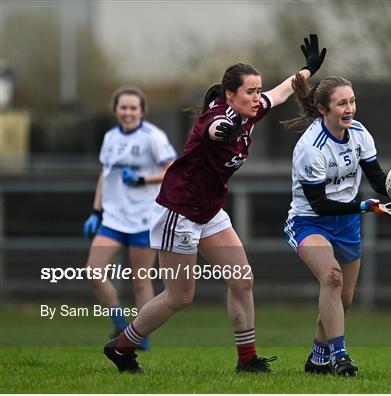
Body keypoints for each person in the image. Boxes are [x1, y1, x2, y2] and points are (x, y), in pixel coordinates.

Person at [103, 34, 327, 374]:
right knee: (179, 296)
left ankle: (247, 359)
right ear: (229, 95)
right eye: (250, 91)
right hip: (180, 213)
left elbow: (280, 93)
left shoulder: (250, 111)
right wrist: (224, 130)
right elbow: (214, 128)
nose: (257, 97)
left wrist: (307, 70)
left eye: (257, 90)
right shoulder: (219, 117)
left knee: (242, 279)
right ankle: (122, 346)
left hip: (208, 213)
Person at [281, 73, 391, 376]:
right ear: (323, 109)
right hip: (311, 221)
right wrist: (363, 207)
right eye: (341, 104)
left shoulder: (360, 133)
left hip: (347, 221)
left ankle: (318, 357)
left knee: (344, 298)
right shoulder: (311, 148)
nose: (349, 108)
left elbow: (377, 179)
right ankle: (340, 357)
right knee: (332, 279)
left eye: (351, 101)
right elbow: (320, 204)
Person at [83, 87, 177, 350]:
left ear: (141, 111)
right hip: (113, 220)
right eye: (123, 108)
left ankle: (141, 335)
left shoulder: (152, 137)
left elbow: (172, 169)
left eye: (133, 108)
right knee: (93, 272)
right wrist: (96, 211)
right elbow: (105, 174)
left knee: (140, 280)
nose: (128, 112)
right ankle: (121, 324)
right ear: (116, 110)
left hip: (144, 220)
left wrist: (142, 179)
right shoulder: (111, 137)